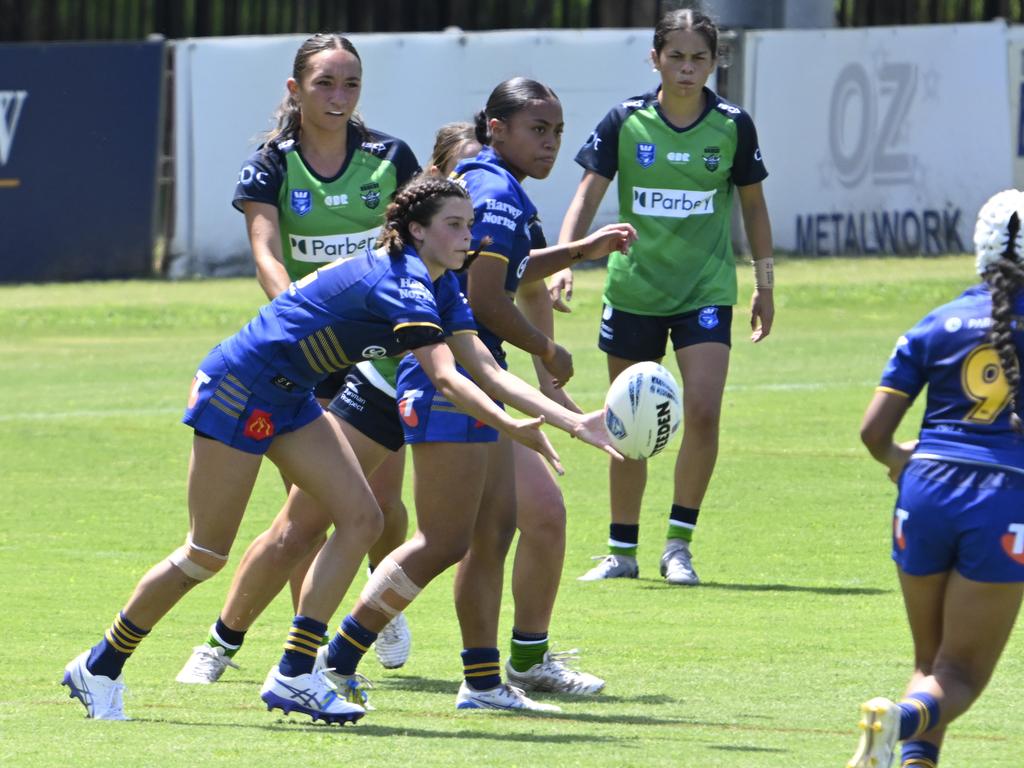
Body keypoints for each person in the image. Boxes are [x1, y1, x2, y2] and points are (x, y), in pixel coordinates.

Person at [61, 176, 617, 723]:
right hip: (239, 387)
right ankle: (100, 666)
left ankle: (296, 672)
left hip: (290, 395)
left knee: (361, 518)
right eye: (453, 225)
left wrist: (574, 421)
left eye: (469, 225)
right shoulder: (403, 282)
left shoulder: (442, 281)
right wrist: (510, 426)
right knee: (205, 554)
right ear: (417, 230)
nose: (466, 236)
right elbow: (447, 378)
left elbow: (485, 367)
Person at [316, 78, 637, 713]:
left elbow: (494, 271)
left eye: (557, 132)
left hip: (468, 369)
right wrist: (547, 350)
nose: (549, 144)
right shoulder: (495, 193)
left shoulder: (494, 186)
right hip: (451, 376)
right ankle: (332, 658)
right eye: (536, 130)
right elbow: (487, 296)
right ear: (496, 127)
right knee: (443, 539)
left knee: (491, 532)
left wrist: (578, 250)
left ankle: (484, 682)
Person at [175, 32, 420, 684]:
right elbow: (265, 252)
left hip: (373, 348)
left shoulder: (389, 156)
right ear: (295, 89)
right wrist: (298, 323)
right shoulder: (273, 164)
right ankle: (287, 653)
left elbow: (417, 243)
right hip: (304, 352)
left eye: (350, 85)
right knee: (308, 513)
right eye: (324, 84)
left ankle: (376, 607)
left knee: (384, 505)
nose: (338, 98)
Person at [558, 8, 775, 586]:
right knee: (628, 421)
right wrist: (568, 259)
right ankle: (621, 550)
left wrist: (765, 282)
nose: (686, 68)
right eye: (675, 56)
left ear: (714, 63)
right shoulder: (625, 121)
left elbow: (753, 206)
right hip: (633, 290)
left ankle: (678, 546)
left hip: (705, 288)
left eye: (698, 58)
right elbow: (587, 192)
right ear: (654, 58)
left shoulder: (732, 124)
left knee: (702, 412)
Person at [848, 188, 1024, 768]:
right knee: (962, 674)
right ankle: (898, 720)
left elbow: (874, 433)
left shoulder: (936, 321)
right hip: (1003, 498)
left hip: (923, 492)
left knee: (930, 667)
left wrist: (901, 463)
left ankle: (907, 744)